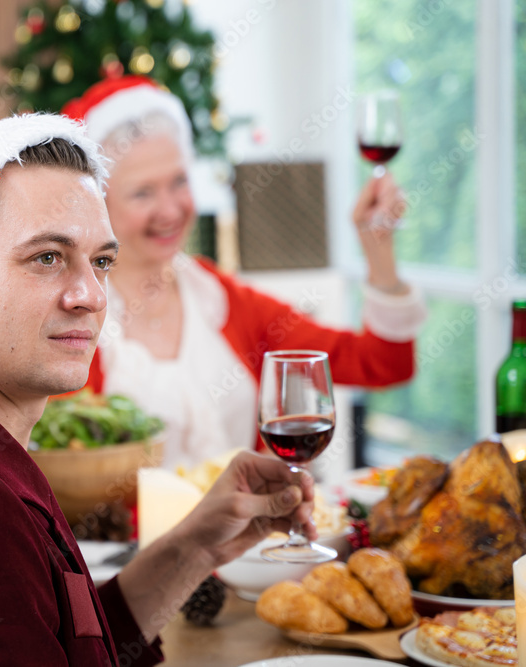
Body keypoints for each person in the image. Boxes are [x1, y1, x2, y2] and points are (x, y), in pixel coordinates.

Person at [0, 114, 317, 667]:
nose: (91, 295)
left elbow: (66, 644)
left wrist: (196, 545)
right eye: (47, 258)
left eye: (101, 261)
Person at [62, 76, 428, 468]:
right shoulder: (71, 317)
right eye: (143, 193)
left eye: (179, 182)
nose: (170, 210)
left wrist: (378, 249)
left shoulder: (219, 299)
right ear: (98, 201)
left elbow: (383, 363)